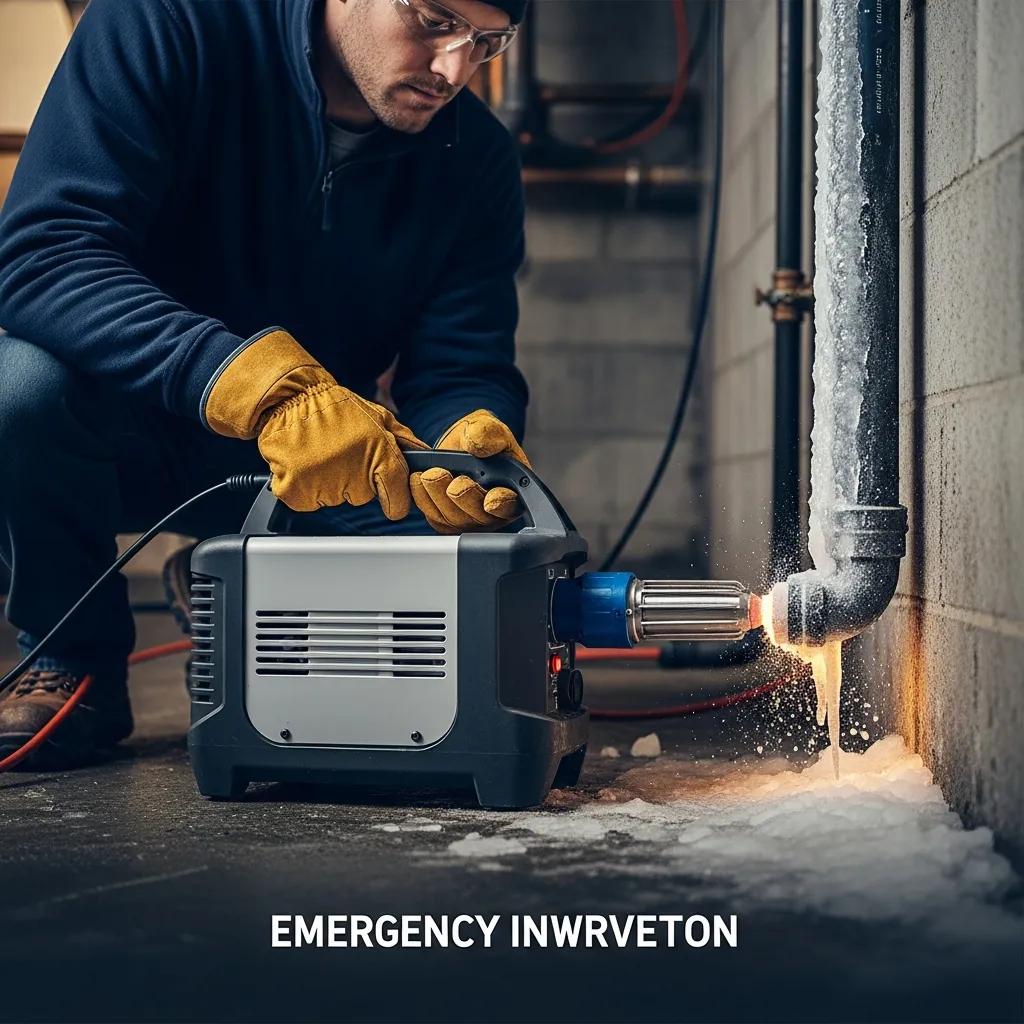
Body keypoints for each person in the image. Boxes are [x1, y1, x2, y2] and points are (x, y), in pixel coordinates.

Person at [0, 0, 532, 768]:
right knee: (17, 388)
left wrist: (468, 437)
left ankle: (231, 589)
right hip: (116, 430)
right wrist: (249, 381)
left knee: (486, 534)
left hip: (312, 463)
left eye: (486, 42)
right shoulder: (166, 24)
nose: (455, 69)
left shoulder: (475, 157)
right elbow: (46, 255)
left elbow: (461, 362)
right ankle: (73, 662)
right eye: (432, 20)